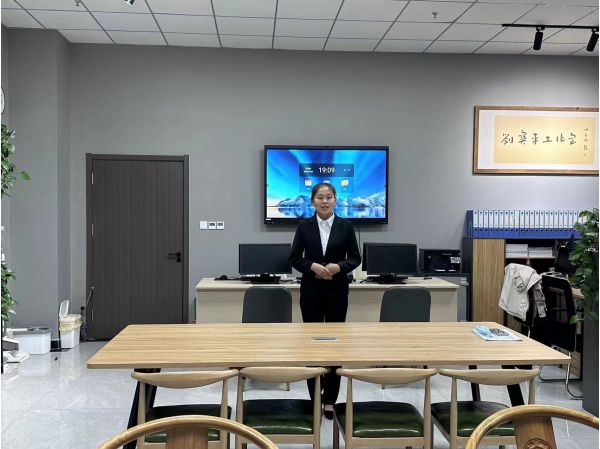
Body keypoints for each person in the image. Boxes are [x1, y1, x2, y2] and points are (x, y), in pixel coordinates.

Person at [289, 182, 361, 419]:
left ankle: (330, 399)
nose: (324, 201)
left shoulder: (346, 226)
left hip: (337, 292)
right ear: (313, 201)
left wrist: (338, 267)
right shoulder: (304, 226)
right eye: (320, 197)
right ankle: (315, 397)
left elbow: (355, 258)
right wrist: (312, 266)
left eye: (328, 197)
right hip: (310, 292)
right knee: (311, 346)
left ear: (335, 200)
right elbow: (294, 258)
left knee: (335, 346)